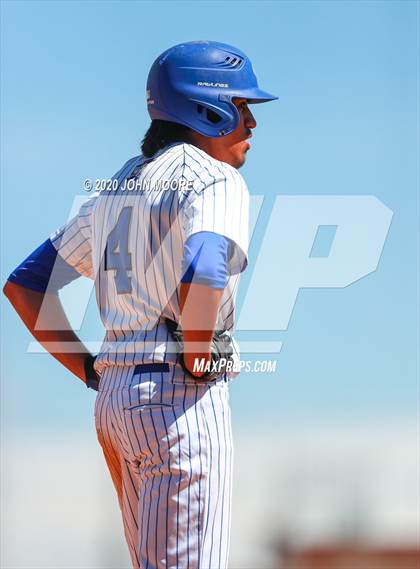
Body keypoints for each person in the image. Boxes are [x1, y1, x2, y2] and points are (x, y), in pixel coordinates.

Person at [3, 40, 277, 569]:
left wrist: (90, 370)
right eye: (241, 106)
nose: (251, 123)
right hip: (178, 398)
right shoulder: (216, 177)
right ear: (208, 109)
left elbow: (27, 284)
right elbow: (205, 265)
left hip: (116, 402)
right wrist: (199, 354)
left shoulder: (120, 183)